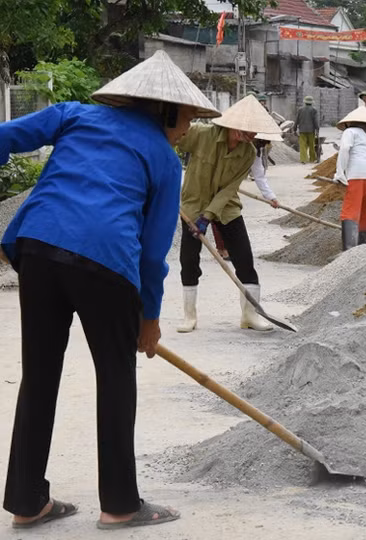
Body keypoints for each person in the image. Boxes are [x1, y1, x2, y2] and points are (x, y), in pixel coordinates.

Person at [0, 50, 219, 530]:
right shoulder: (163, 159)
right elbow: (152, 253)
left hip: (38, 249)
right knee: (116, 380)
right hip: (106, 265)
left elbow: (3, 138)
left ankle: (26, 501)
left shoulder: (74, 115)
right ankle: (120, 504)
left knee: (39, 377)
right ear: (166, 110)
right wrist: (149, 318)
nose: (186, 129)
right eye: (186, 118)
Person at [176, 95, 282, 333]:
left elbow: (229, 188)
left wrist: (209, 216)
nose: (250, 137)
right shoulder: (201, 135)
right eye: (247, 131)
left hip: (227, 208)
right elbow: (173, 139)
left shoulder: (247, 153)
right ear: (233, 124)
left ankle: (250, 315)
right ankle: (189, 316)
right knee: (189, 261)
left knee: (244, 259)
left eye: (254, 133)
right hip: (193, 206)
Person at [211, 132, 281, 261]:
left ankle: (225, 247)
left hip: (229, 186)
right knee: (215, 212)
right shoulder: (230, 142)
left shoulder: (254, 152)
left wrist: (270, 197)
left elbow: (259, 176)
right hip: (213, 180)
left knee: (227, 213)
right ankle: (222, 249)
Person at [334, 106, 366, 250]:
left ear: (350, 122)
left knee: (350, 212)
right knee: (365, 214)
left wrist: (340, 173)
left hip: (358, 175)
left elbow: (344, 150)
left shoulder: (350, 132)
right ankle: (363, 250)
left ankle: (349, 252)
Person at [295, 96, 319, 164]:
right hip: (311, 131)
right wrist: (317, 129)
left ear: (305, 102)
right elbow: (315, 121)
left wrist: (294, 128)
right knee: (311, 145)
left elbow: (297, 120)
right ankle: (312, 159)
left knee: (303, 145)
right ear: (311, 103)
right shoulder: (314, 110)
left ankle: (303, 159)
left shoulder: (300, 109)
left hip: (302, 130)